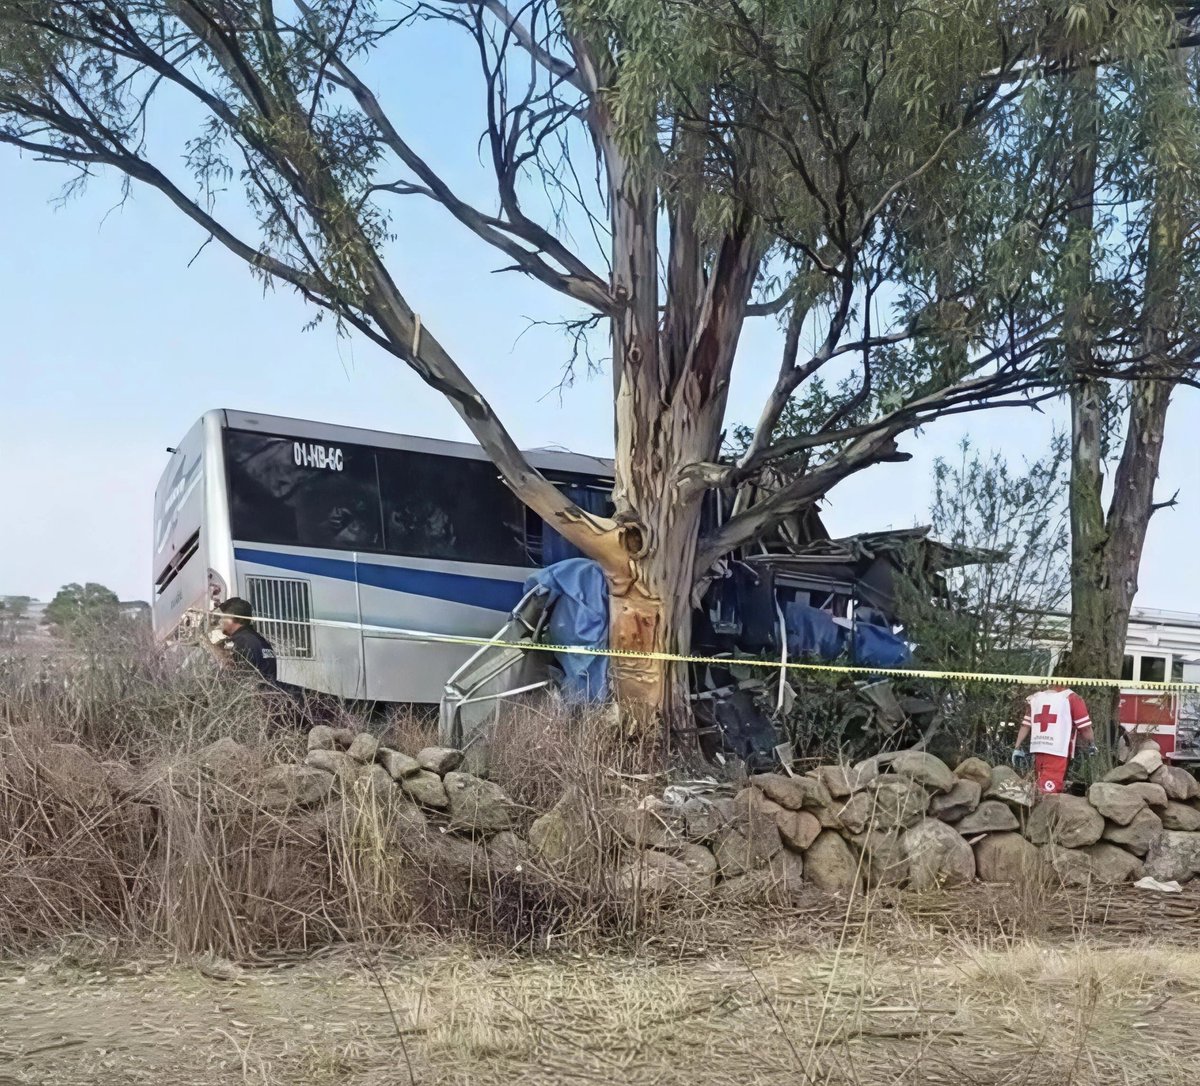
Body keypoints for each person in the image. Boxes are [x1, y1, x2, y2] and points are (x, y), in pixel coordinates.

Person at [1012, 685, 1098, 796]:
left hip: (1038, 748)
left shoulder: (1035, 698)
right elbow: (1085, 728)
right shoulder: (1072, 698)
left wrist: (1017, 748)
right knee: (1048, 793)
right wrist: (1092, 744)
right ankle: (1047, 812)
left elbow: (1025, 725)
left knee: (1039, 787)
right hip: (1057, 750)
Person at [213, 597, 278, 686]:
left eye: (224, 617)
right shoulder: (259, 640)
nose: (221, 621)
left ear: (233, 618)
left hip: (250, 696)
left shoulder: (240, 642)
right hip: (268, 695)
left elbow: (234, 679)